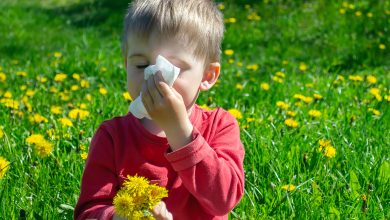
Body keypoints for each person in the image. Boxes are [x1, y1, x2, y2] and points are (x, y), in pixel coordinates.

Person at [74, 0, 245, 219]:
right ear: (126, 65)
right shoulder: (113, 137)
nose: (154, 77)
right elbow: (88, 211)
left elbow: (224, 200)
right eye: (141, 65)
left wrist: (180, 132)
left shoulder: (220, 126)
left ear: (207, 76)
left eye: (172, 68)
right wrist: (118, 216)